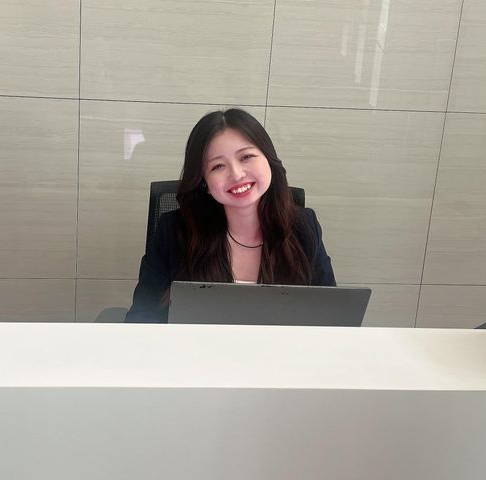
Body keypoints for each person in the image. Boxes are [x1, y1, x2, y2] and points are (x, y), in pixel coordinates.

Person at [125, 108, 335, 323]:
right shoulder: (174, 231)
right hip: (197, 344)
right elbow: (141, 316)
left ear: (268, 159)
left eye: (246, 157)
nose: (236, 174)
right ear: (204, 182)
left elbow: (330, 316)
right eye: (218, 166)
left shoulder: (304, 227)